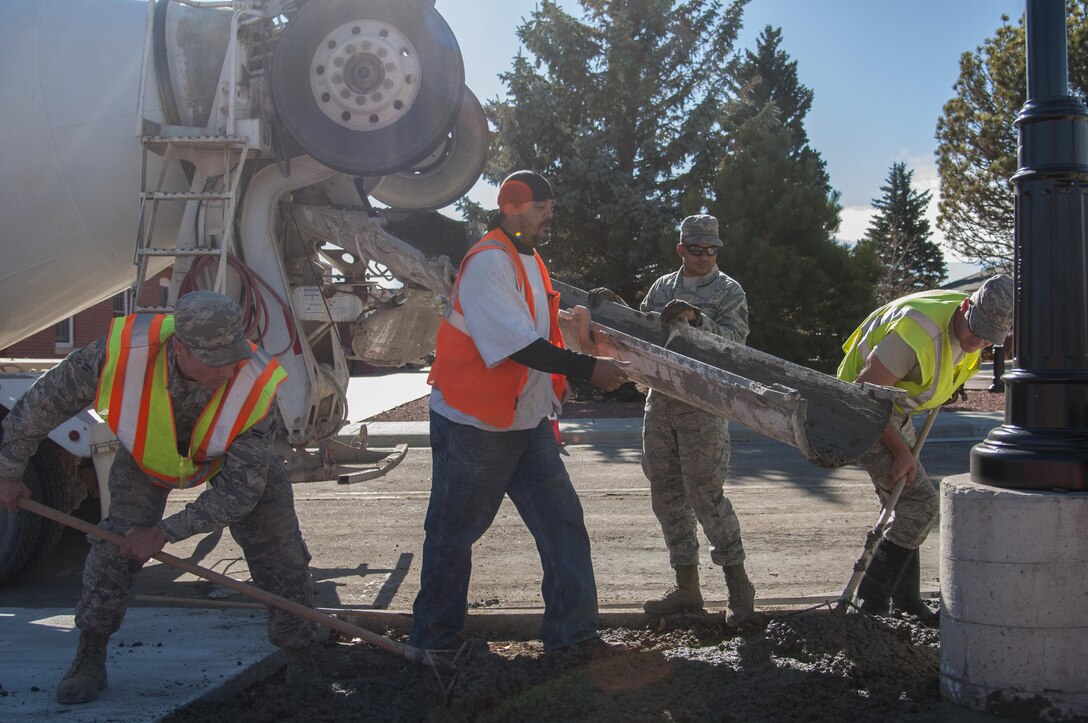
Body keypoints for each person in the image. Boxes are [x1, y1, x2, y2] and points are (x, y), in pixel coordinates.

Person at [0, 291, 319, 703]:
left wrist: (165, 533)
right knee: (114, 547)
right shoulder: (118, 355)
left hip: (234, 464)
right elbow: (36, 410)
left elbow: (241, 492)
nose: (230, 366)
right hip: (149, 455)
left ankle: (301, 657)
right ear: (180, 348)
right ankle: (89, 657)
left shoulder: (255, 384)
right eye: (215, 357)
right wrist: (8, 473)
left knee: (281, 553)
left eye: (233, 353)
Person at [410, 170, 630, 658]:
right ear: (511, 207)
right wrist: (589, 368)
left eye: (551, 206)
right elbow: (518, 346)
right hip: (476, 424)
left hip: (524, 421)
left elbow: (538, 330)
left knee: (562, 525)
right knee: (453, 533)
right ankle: (434, 643)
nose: (549, 214)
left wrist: (575, 338)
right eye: (541, 206)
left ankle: (574, 637)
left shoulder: (528, 258)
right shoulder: (490, 261)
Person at [589, 214, 757, 626]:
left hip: (703, 405)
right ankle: (687, 588)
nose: (704, 256)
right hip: (661, 402)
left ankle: (739, 587)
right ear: (681, 249)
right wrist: (615, 311)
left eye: (712, 249)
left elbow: (736, 345)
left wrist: (700, 320)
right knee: (665, 494)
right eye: (696, 249)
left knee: (705, 494)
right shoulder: (663, 287)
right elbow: (644, 334)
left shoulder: (729, 290)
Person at [837, 274, 1014, 627]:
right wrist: (901, 451)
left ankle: (906, 601)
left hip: (893, 407)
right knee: (920, 506)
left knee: (907, 505)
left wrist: (947, 385)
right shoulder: (916, 333)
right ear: (967, 306)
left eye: (987, 339)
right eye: (975, 331)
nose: (977, 341)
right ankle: (869, 605)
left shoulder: (968, 330)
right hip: (856, 410)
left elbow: (950, 361)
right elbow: (865, 396)